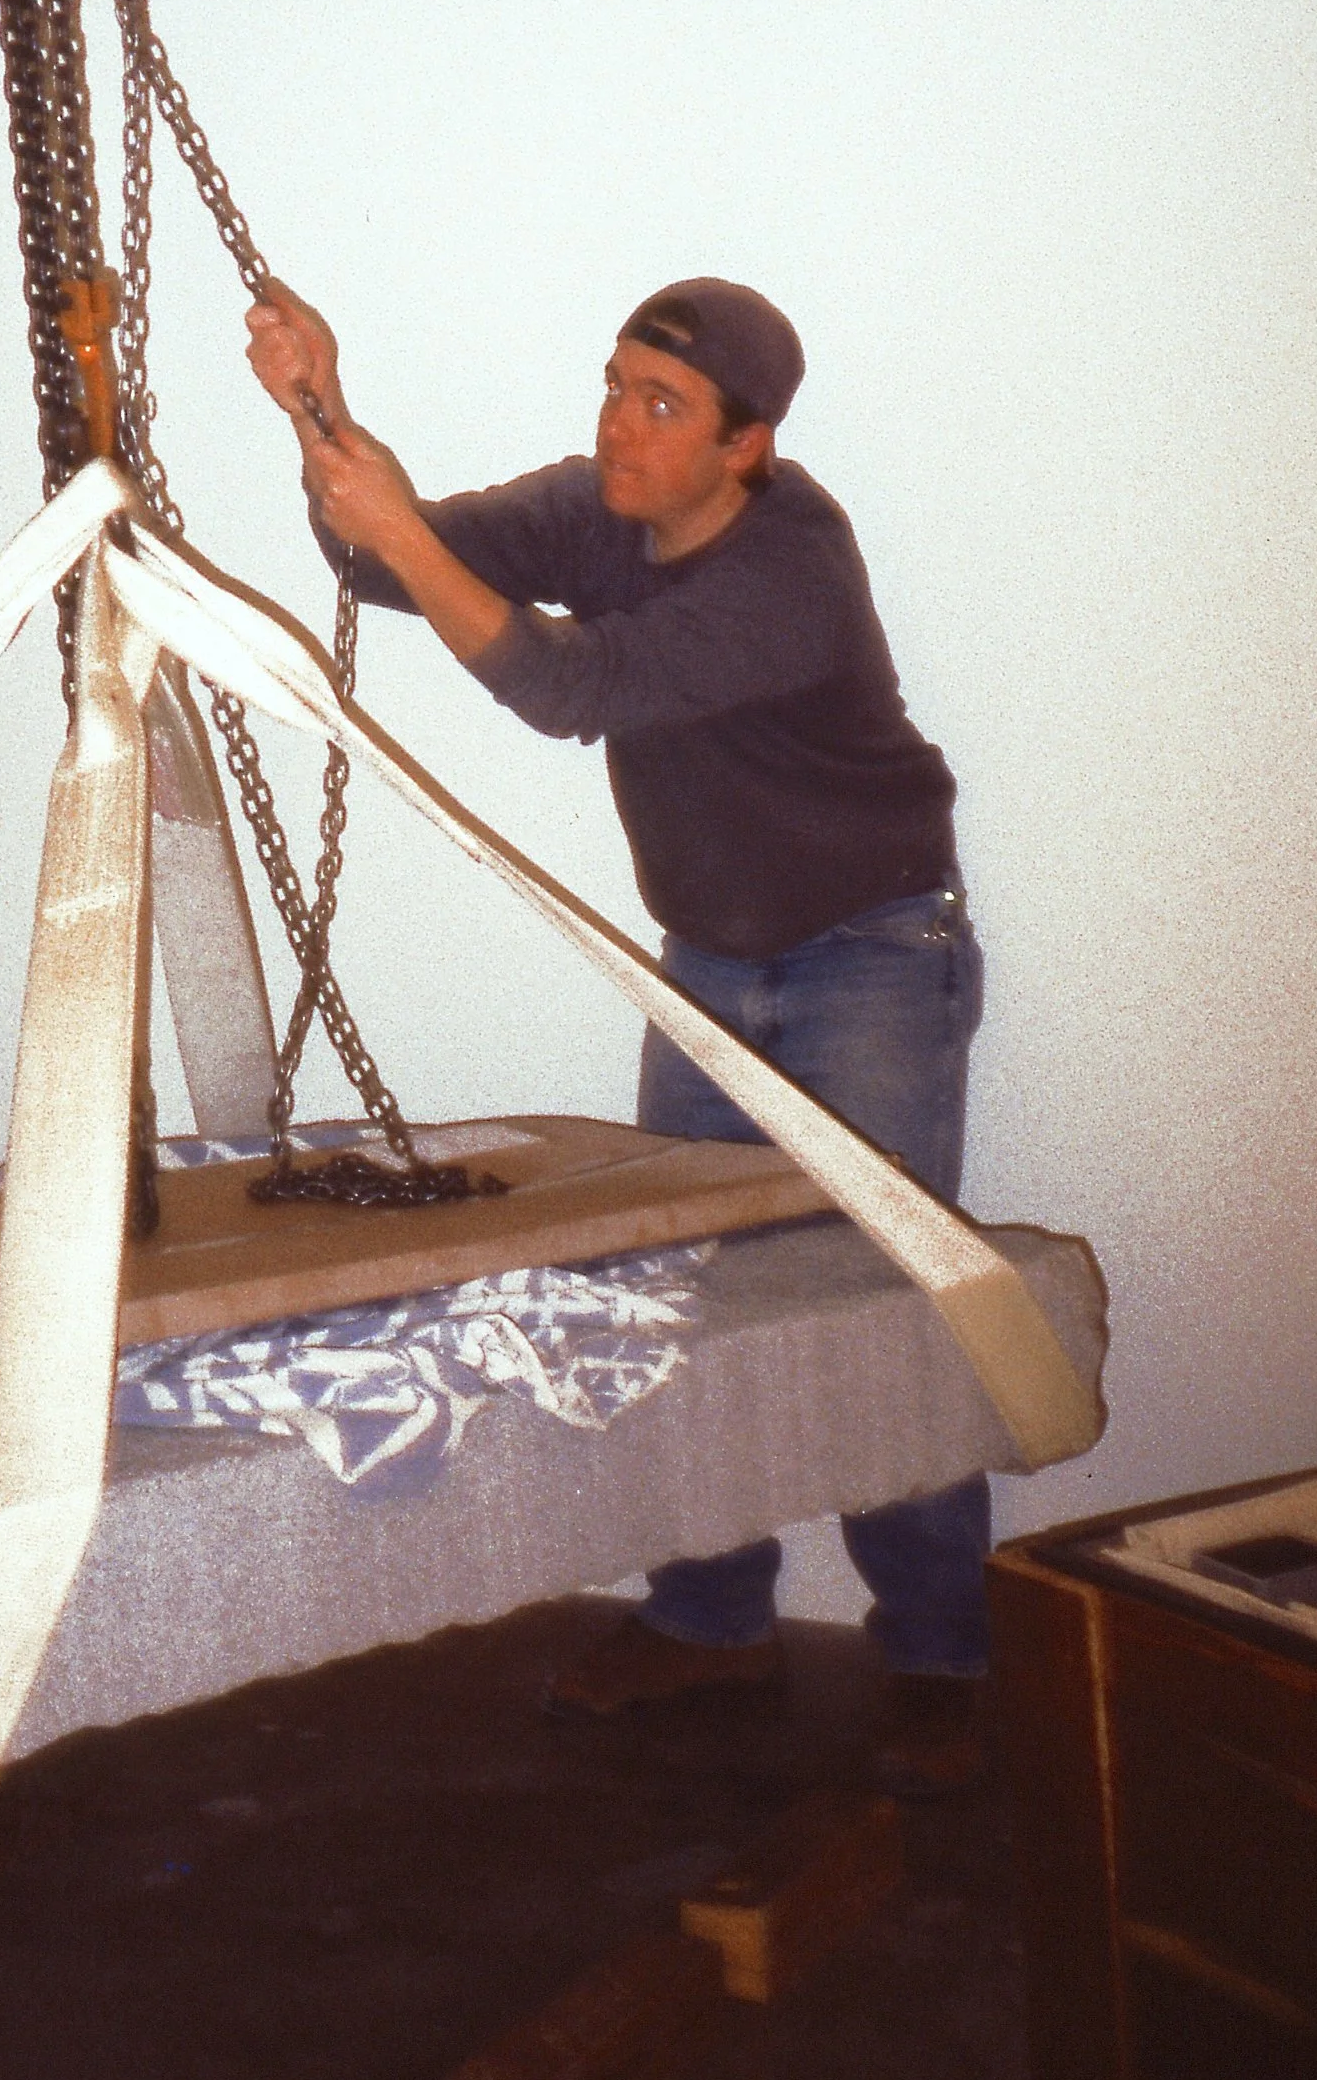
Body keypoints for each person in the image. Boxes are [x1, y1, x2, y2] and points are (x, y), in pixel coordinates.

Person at [245, 271, 991, 1771]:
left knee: (882, 1309)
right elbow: (390, 563)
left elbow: (576, 686)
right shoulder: (600, 507)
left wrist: (391, 526)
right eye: (615, 385)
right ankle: (710, 1622)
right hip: (711, 962)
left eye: (663, 405)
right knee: (676, 1301)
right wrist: (318, 413)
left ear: (747, 446)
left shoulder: (793, 564)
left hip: (873, 954)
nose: (621, 425)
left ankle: (946, 1657)